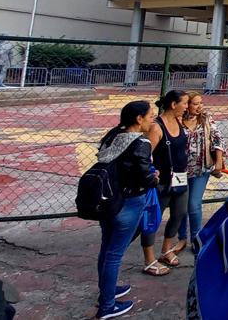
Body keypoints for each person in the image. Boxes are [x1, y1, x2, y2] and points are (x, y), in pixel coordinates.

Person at [94, 101, 159, 319]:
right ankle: (107, 306)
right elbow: (145, 177)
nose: (152, 119)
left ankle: (107, 291)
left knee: (107, 248)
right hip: (129, 201)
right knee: (114, 254)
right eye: (150, 116)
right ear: (139, 119)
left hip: (107, 199)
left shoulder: (113, 136)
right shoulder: (141, 142)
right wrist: (154, 177)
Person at [141, 90, 189, 275]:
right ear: (173, 104)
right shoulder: (156, 127)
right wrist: (152, 174)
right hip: (162, 182)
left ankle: (166, 249)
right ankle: (149, 259)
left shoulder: (179, 121)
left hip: (180, 177)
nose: (186, 107)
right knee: (153, 218)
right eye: (184, 103)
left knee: (179, 213)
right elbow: (146, 155)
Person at [176, 91, 224, 253]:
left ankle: (196, 238)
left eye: (201, 103)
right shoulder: (176, 120)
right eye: (195, 104)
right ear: (186, 105)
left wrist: (218, 161)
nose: (199, 107)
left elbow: (217, 139)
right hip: (179, 171)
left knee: (194, 204)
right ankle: (181, 238)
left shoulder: (206, 118)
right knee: (181, 205)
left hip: (200, 168)